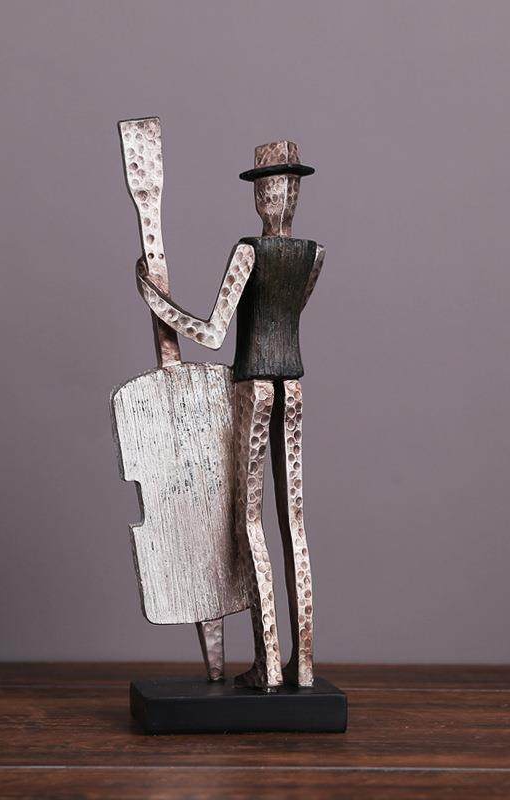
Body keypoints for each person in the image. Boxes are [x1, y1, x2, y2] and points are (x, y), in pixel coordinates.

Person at [136, 141, 325, 691]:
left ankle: (268, 664)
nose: (275, 196)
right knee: (295, 523)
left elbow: (213, 332)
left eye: (274, 187)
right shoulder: (314, 254)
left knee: (250, 522)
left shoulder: (249, 252)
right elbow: (289, 316)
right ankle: (303, 666)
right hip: (293, 384)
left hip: (253, 387)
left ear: (266, 195)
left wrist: (155, 299)